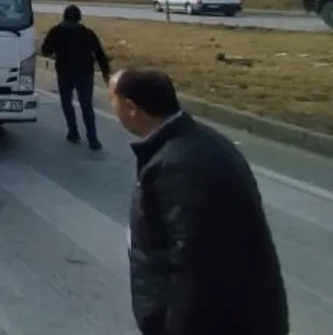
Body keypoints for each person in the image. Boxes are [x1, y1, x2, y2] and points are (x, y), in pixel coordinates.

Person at [112, 68, 288, 335]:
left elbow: (197, 269)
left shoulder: (180, 165)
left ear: (131, 107)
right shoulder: (196, 142)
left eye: (112, 98)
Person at [39, 4, 110, 150]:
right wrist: (105, 73)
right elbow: (99, 54)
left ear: (64, 17)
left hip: (65, 73)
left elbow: (46, 51)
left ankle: (73, 132)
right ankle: (93, 139)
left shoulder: (56, 31)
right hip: (85, 73)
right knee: (87, 106)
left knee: (67, 103)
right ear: (79, 18)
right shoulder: (87, 33)